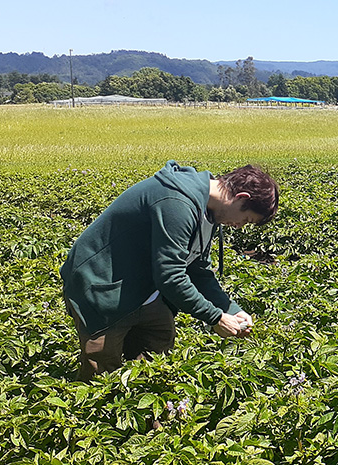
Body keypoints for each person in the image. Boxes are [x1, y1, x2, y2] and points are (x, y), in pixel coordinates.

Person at [61, 160, 279, 381]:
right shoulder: (177, 201)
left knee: (158, 356)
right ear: (241, 198)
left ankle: (145, 409)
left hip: (143, 289)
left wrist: (229, 308)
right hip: (101, 286)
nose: (239, 226)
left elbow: (198, 269)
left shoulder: (209, 211)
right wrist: (214, 318)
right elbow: (171, 277)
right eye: (246, 219)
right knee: (101, 372)